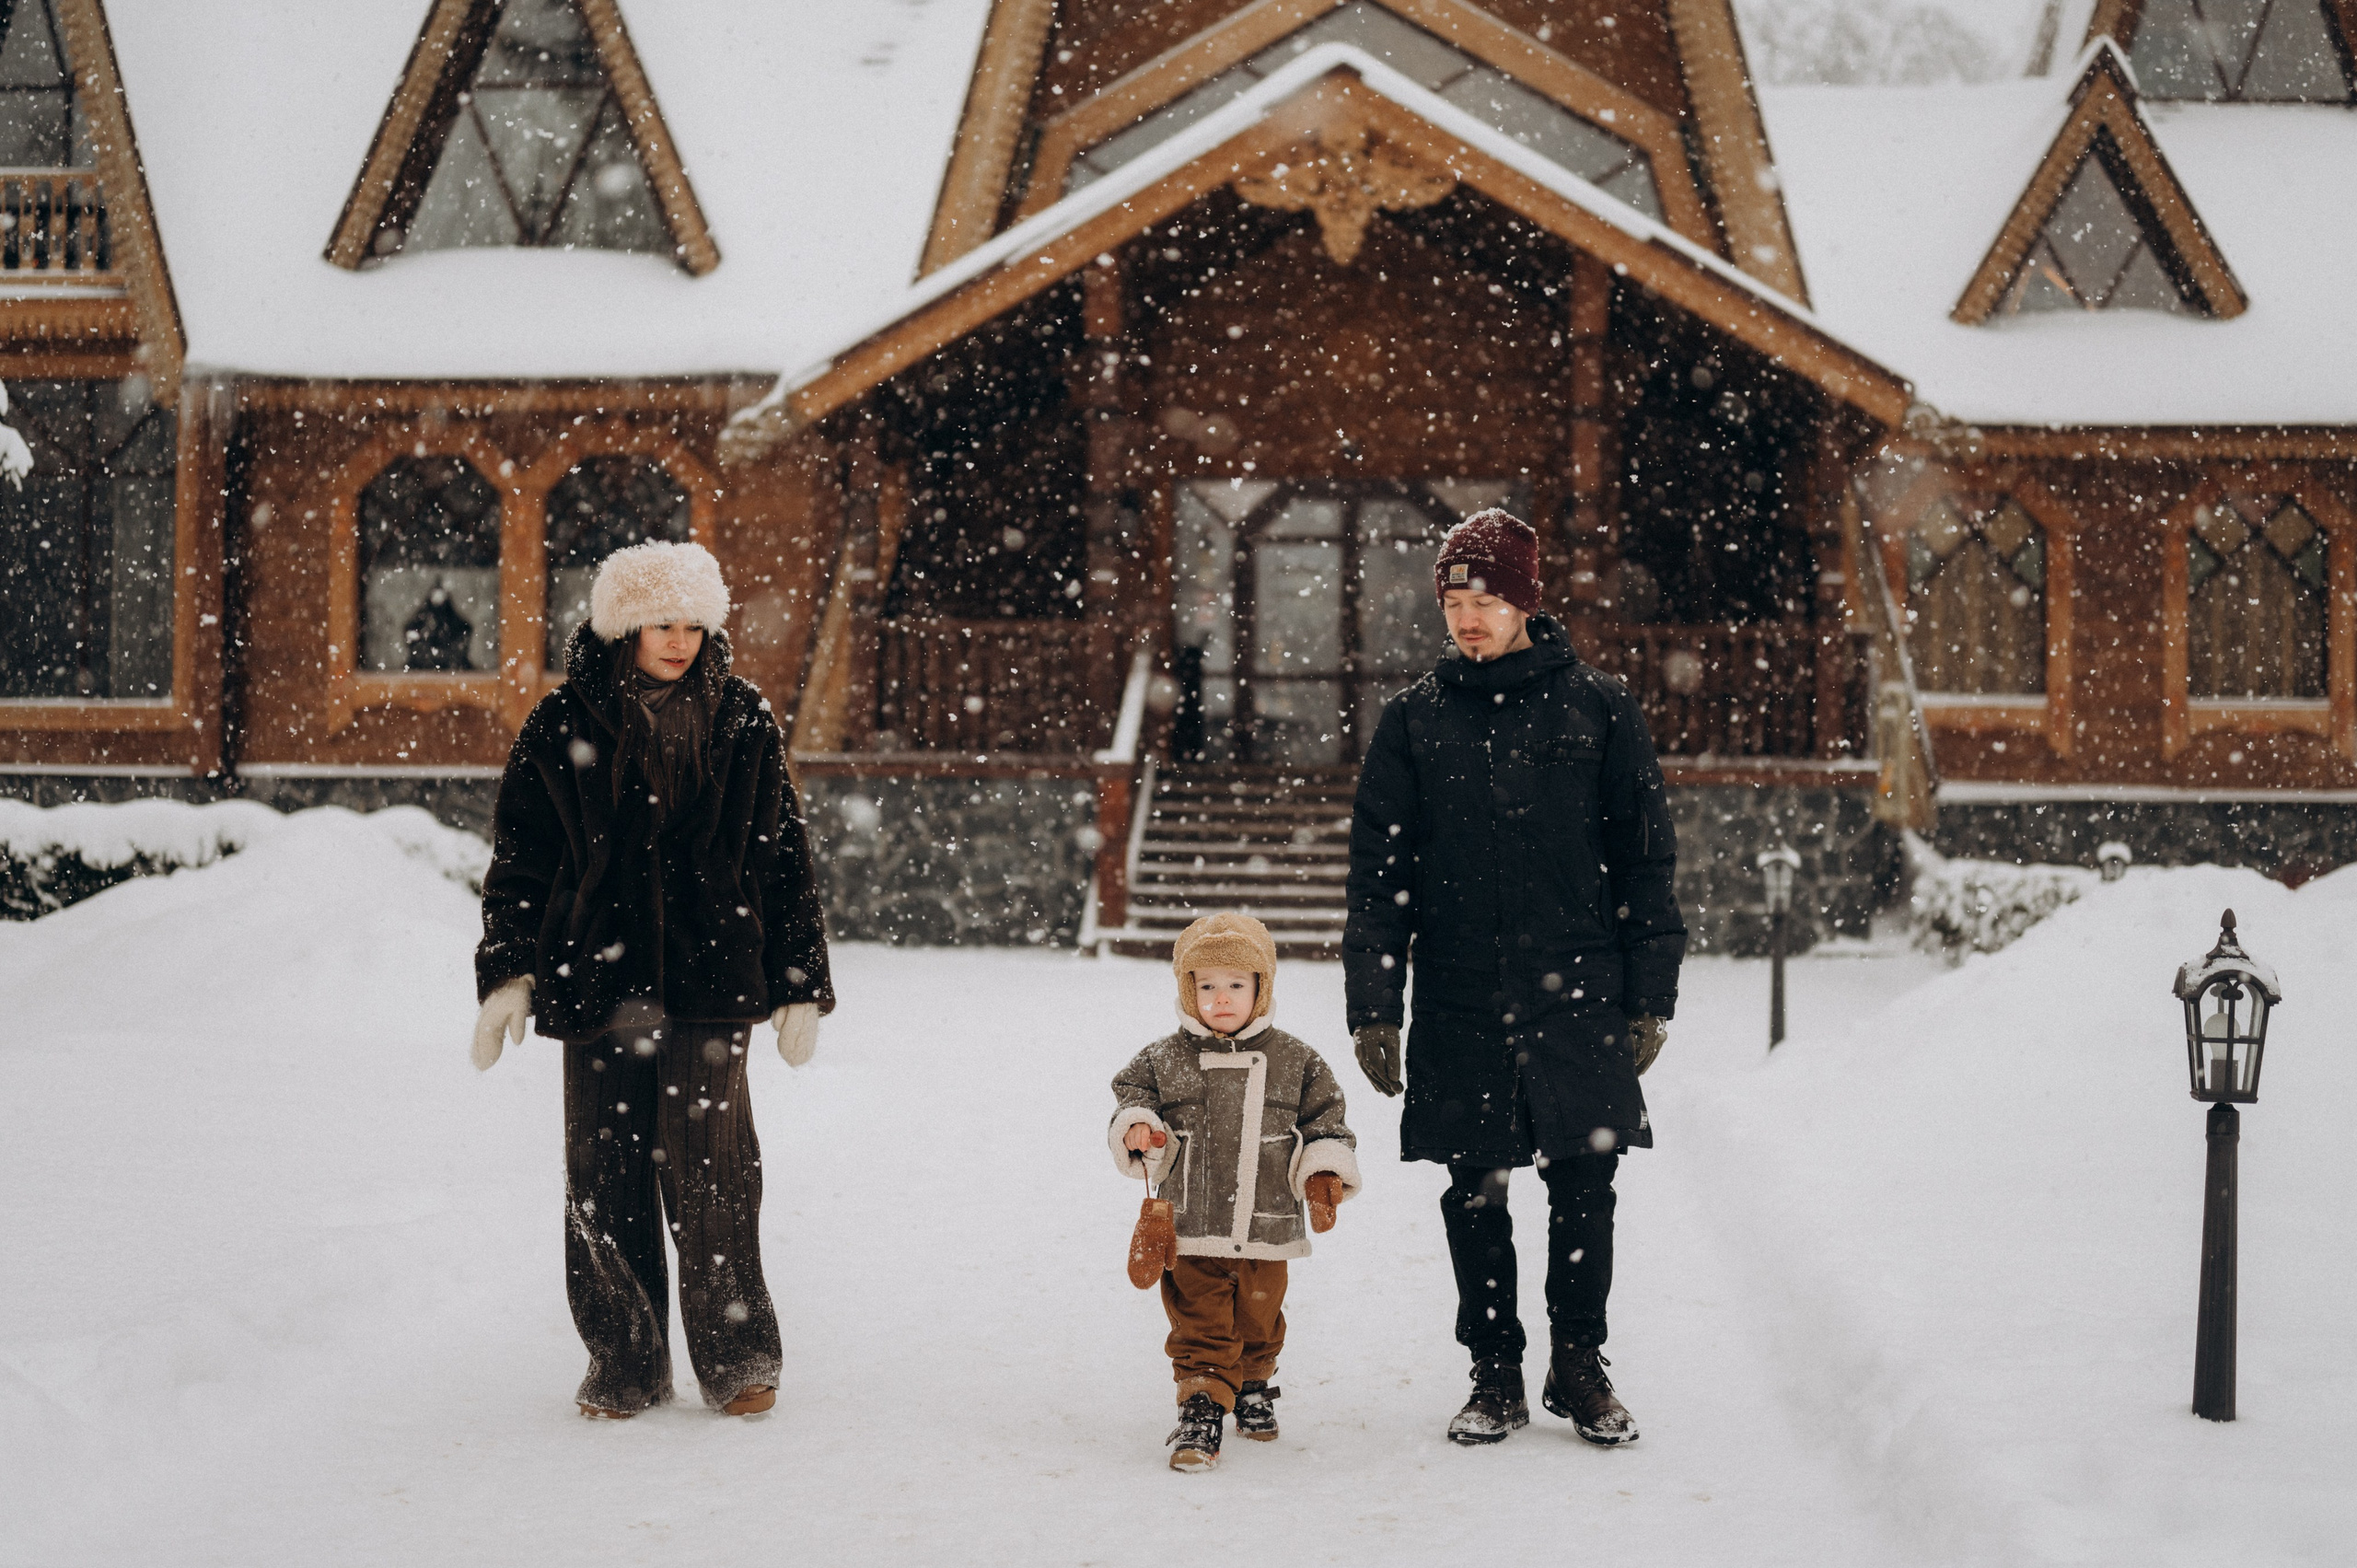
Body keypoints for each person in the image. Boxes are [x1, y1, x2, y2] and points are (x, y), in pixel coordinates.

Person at [469, 540, 833, 1421]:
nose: (680, 640)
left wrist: (799, 980)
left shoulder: (742, 717)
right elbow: (522, 857)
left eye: (694, 624)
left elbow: (782, 858)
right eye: (662, 623)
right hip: (597, 978)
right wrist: (508, 973)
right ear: (623, 625)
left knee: (716, 1169)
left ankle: (739, 1353)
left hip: (714, 974)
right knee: (603, 1170)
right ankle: (624, 1361)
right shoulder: (560, 724)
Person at [1342, 508, 1684, 1448]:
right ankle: (1493, 1370)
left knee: (1586, 1182)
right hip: (1459, 988)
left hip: (1577, 985)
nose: (1467, 617)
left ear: (1525, 601)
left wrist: (1651, 989)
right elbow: (1380, 874)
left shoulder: (1599, 708)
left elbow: (1645, 859)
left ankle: (1578, 1363)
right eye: (1454, 599)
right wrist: (1375, 1003)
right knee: (1474, 1188)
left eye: (1486, 598)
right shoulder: (1415, 720)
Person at [1109, 912, 1361, 1471]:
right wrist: (1136, 1126)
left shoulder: (1296, 1059)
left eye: (1237, 985)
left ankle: (1251, 1383)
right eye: (1207, 986)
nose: (1221, 999)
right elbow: (1131, 1099)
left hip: (1266, 1221)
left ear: (1261, 988)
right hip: (1191, 1219)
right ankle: (1201, 1401)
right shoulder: (1162, 1057)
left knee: (1259, 1316)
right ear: (1187, 988)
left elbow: (1327, 1124)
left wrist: (1323, 1170)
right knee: (1198, 1317)